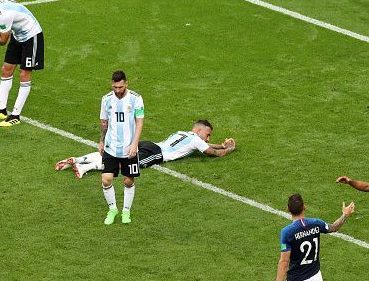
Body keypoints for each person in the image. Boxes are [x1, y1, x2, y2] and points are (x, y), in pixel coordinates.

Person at [54, 119, 236, 177]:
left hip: (149, 144)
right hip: (156, 154)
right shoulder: (196, 140)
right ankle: (85, 168)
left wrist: (221, 144)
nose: (208, 137)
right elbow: (211, 153)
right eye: (208, 134)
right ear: (199, 130)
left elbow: (206, 145)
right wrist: (228, 150)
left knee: (115, 155)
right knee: (125, 167)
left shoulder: (185, 133)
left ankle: (76, 160)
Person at [98, 71, 144, 225]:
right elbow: (104, 122)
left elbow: (139, 122)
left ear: (126, 84)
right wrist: (101, 141)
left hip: (129, 148)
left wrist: (135, 144)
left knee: (128, 181)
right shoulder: (106, 100)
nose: (117, 90)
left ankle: (126, 211)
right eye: (115, 87)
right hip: (111, 147)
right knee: (106, 179)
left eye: (120, 87)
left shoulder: (136, 99)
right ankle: (112, 209)